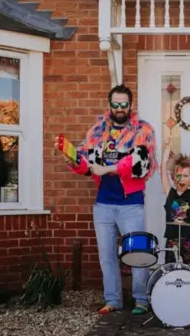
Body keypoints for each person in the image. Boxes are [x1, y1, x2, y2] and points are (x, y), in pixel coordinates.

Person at [54, 84, 157, 316]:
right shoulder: (99, 130)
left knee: (138, 253)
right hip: (103, 206)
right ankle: (113, 300)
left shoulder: (143, 130)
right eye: (115, 104)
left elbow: (140, 162)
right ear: (110, 105)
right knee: (107, 256)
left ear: (130, 105)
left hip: (131, 204)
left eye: (124, 104)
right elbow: (87, 165)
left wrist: (107, 168)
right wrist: (72, 159)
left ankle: (141, 298)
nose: (119, 108)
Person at [160, 136, 190, 266]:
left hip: (189, 239)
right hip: (172, 239)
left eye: (186, 176)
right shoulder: (169, 192)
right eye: (178, 175)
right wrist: (167, 148)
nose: (182, 179)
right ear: (173, 177)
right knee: (169, 268)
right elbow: (163, 167)